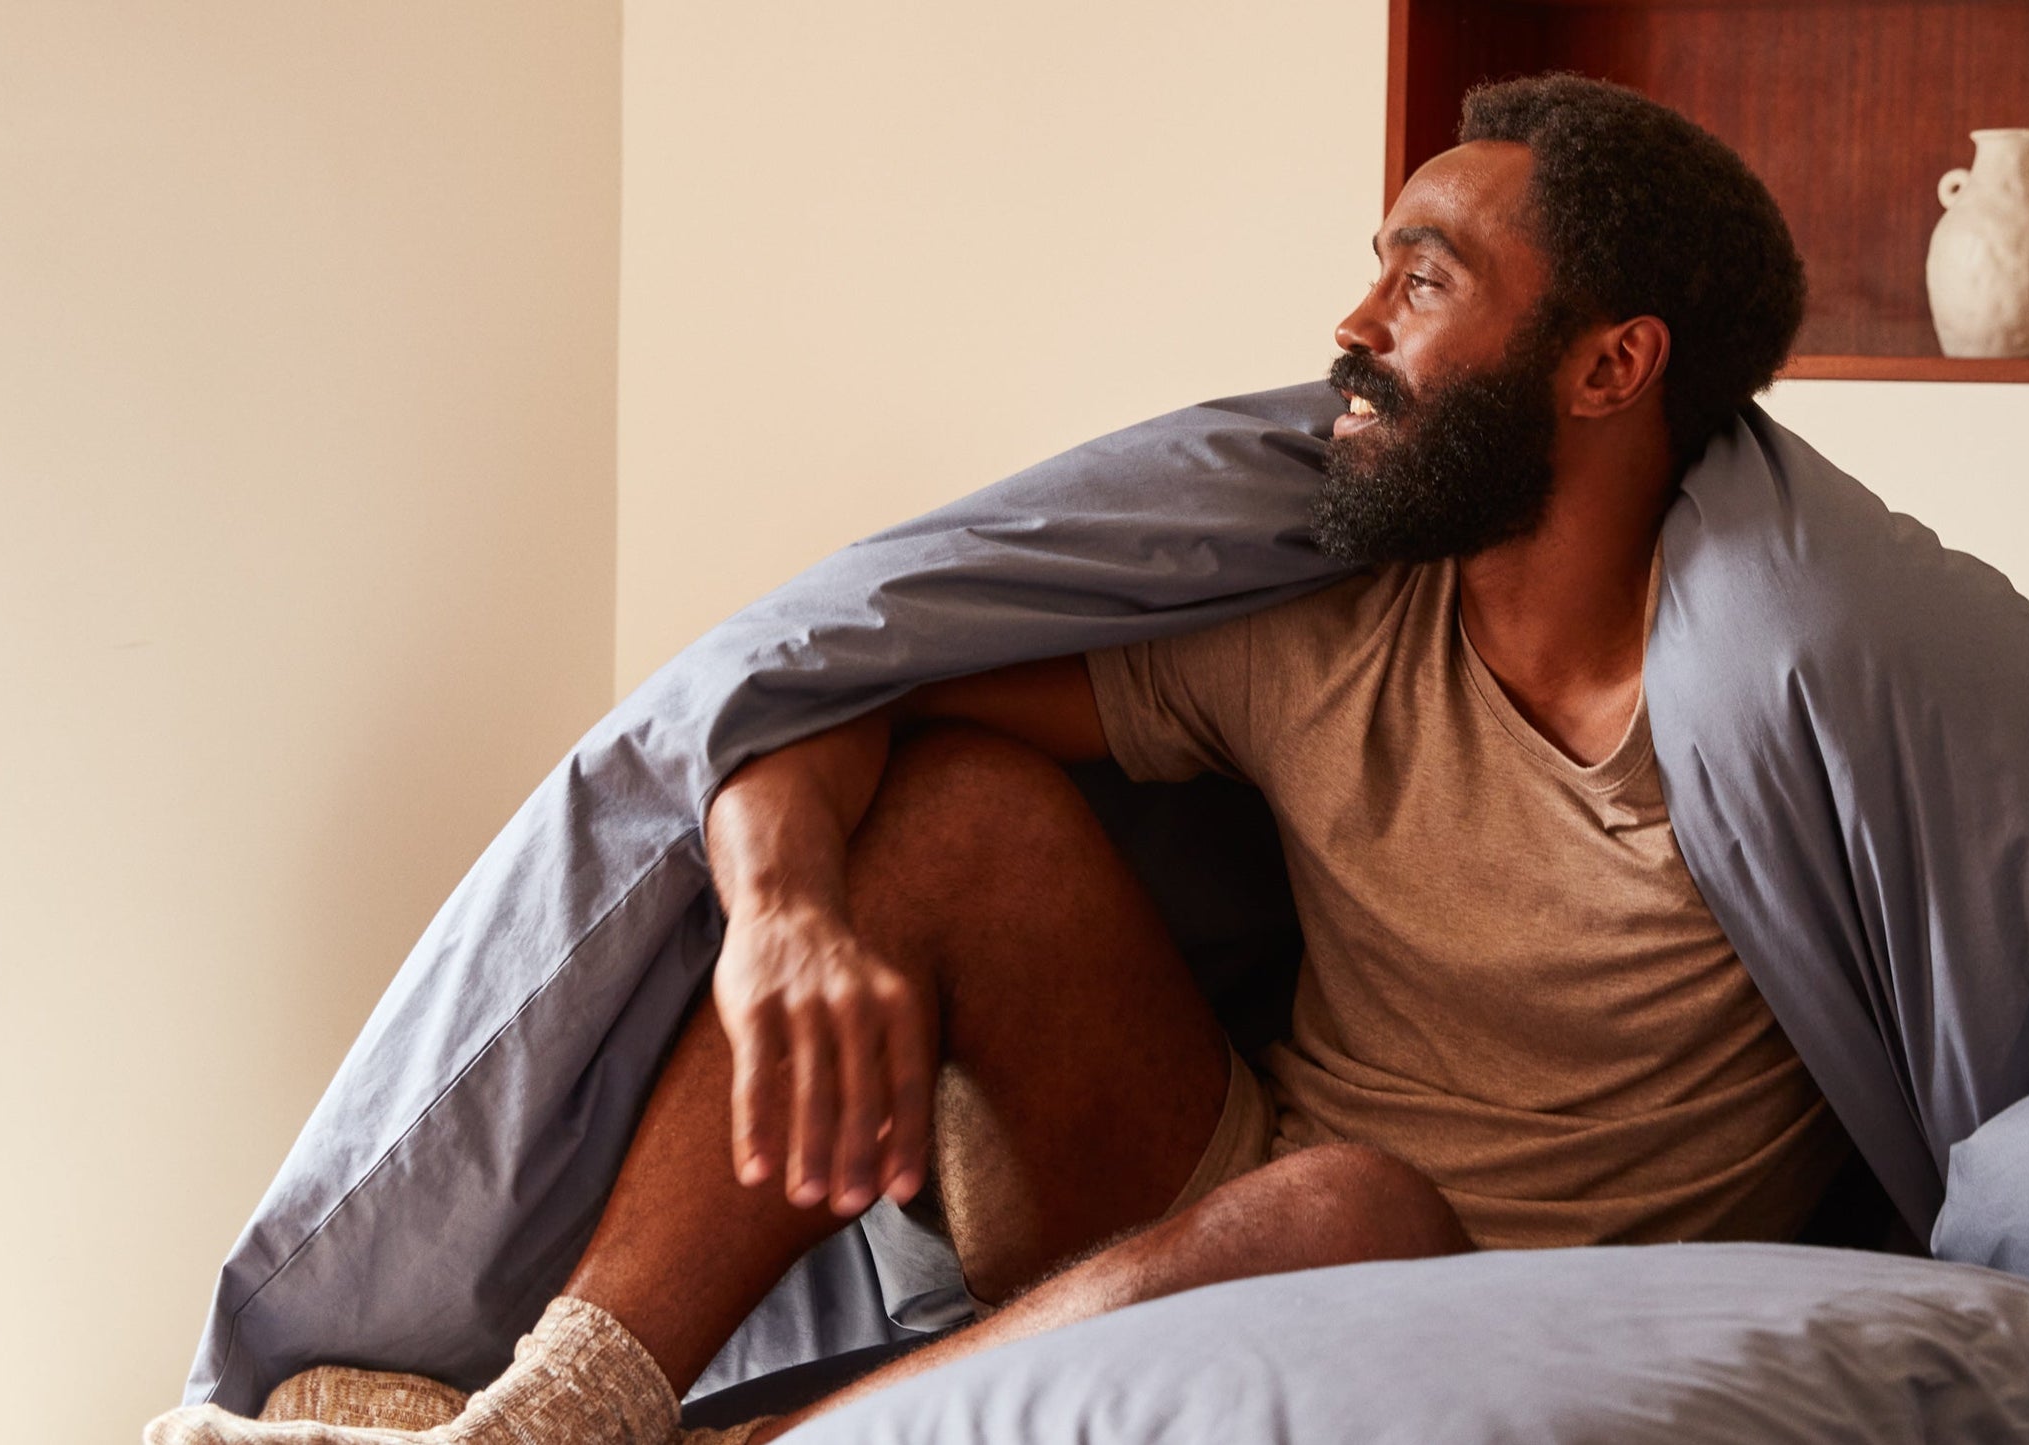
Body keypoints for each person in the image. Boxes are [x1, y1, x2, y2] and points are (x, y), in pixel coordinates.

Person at [154, 74, 1842, 1445]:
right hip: (1219, 1194)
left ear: (1614, 366)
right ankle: (556, 1419)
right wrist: (787, 911)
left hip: (1485, 1311)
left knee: (1357, 1212)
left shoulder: (1786, 727)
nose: (1350, 323)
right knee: (967, 820)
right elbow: (852, 692)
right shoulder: (1336, 635)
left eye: (1422, 281)